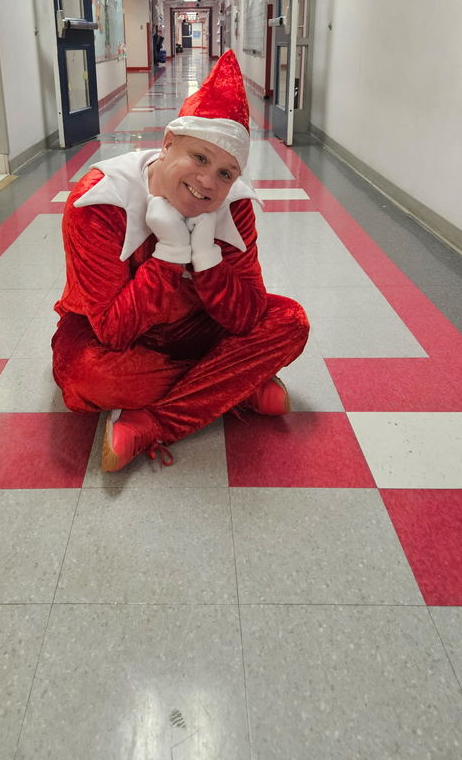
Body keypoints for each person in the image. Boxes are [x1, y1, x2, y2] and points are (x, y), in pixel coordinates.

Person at [51, 50, 310, 472]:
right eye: (200, 158)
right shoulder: (100, 200)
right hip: (111, 334)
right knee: (89, 377)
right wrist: (169, 254)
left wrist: (207, 258)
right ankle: (236, 383)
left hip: (195, 325)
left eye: (226, 173)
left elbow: (247, 316)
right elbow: (114, 331)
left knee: (289, 323)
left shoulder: (233, 206)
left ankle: (153, 422)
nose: (208, 182)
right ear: (168, 144)